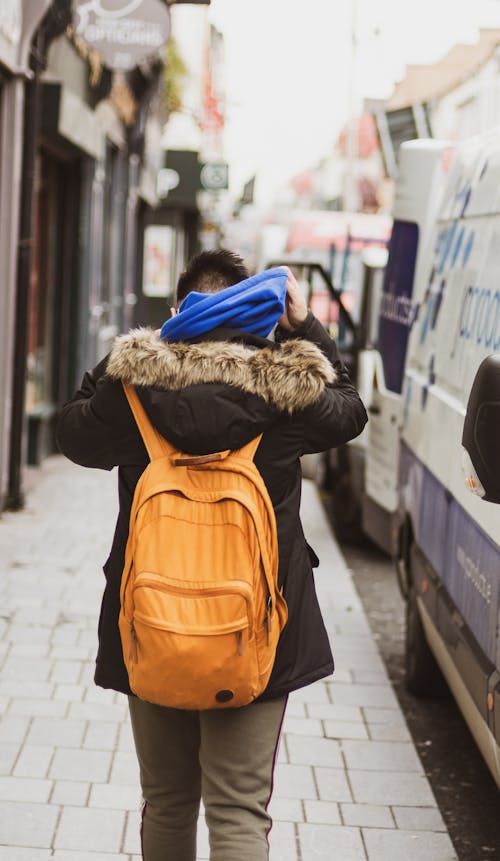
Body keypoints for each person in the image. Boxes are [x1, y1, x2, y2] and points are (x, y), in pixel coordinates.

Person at [57, 250, 367, 861]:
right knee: (239, 810)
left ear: (178, 311)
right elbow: (352, 410)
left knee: (168, 803)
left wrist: (130, 355)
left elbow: (71, 430)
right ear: (263, 312)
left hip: (150, 622)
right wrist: (304, 328)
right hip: (259, 629)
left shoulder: (132, 389)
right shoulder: (292, 390)